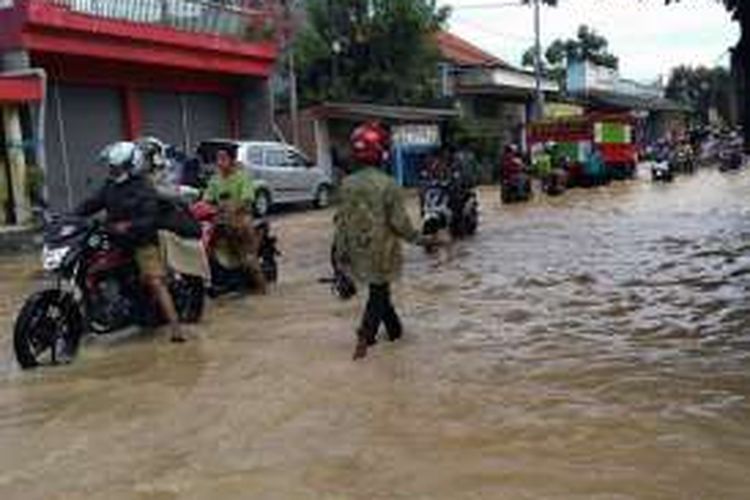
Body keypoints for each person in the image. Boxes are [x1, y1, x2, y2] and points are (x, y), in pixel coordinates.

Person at [333, 121, 429, 360]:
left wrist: (338, 256)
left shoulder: (346, 185)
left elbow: (341, 222)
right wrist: (422, 240)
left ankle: (396, 333)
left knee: (381, 293)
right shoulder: (389, 185)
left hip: (355, 251)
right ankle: (365, 337)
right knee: (378, 294)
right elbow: (400, 224)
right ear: (380, 153)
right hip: (382, 253)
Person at [75, 142, 186, 342]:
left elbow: (150, 217)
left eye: (116, 167)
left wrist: (130, 226)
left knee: (155, 281)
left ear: (130, 165)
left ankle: (176, 328)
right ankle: (89, 315)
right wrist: (70, 215)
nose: (112, 170)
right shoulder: (110, 185)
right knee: (88, 266)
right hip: (114, 240)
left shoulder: (143, 187)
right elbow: (92, 203)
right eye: (111, 166)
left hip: (141, 241)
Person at [203, 146, 267, 294]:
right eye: (218, 159)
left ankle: (261, 286)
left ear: (232, 160)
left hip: (240, 220)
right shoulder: (215, 179)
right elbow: (207, 200)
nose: (219, 162)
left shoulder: (242, 177)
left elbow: (247, 201)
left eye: (223, 158)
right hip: (219, 221)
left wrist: (232, 208)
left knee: (248, 257)